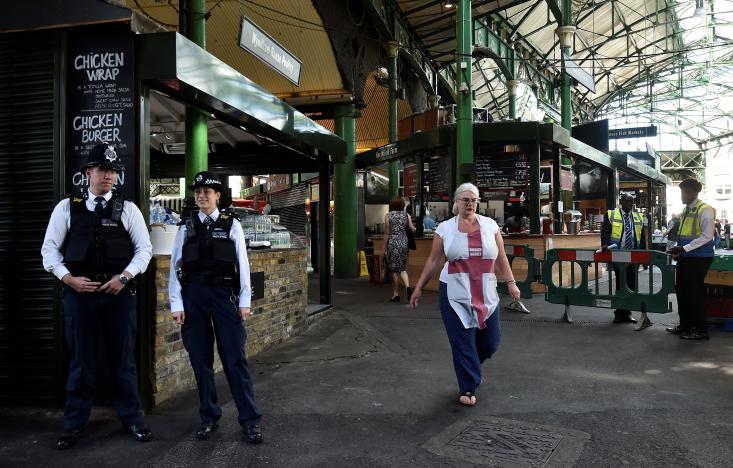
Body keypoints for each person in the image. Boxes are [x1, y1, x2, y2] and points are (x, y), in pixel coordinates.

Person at [41, 143, 153, 450]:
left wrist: (125, 277)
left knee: (124, 360)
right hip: (80, 295)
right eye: (102, 170)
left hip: (118, 294)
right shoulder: (67, 207)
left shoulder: (128, 208)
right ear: (88, 173)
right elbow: (49, 250)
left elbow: (145, 249)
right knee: (81, 361)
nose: (108, 177)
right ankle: (74, 424)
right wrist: (67, 278)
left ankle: (132, 419)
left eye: (113, 172)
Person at [168, 171, 263, 443]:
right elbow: (176, 266)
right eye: (197, 191)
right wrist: (176, 302)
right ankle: (209, 417)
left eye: (206, 192)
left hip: (225, 296)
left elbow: (243, 265)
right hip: (193, 295)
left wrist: (244, 301)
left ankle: (250, 420)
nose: (201, 195)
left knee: (235, 359)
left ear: (217, 195)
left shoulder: (231, 223)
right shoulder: (185, 226)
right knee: (201, 361)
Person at [409, 183, 521, 406]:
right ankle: (468, 386)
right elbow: (433, 260)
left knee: (491, 342)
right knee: (463, 341)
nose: (470, 204)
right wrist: (419, 286)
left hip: (485, 290)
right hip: (454, 291)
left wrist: (511, 282)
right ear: (456, 202)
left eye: (474, 200)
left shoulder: (490, 226)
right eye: (465, 200)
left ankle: (471, 366)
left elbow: (500, 258)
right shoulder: (445, 229)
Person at [667, 178, 716, 340]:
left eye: (684, 192)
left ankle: (700, 330)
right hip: (686, 257)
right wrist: (677, 250)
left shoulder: (705, 210)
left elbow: (707, 236)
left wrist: (683, 248)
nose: (682, 195)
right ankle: (685, 326)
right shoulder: (687, 210)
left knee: (693, 293)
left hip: (699, 258)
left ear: (693, 192)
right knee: (682, 291)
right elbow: (684, 235)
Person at [600, 193, 647, 325]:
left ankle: (626, 313)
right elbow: (605, 231)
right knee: (621, 284)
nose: (629, 204)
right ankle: (619, 314)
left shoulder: (638, 216)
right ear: (621, 202)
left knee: (632, 285)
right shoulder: (611, 214)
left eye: (631, 202)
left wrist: (644, 256)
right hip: (618, 255)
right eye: (627, 201)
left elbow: (642, 237)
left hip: (634, 255)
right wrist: (604, 243)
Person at [384, 197, 416, 302]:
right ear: (402, 205)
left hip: (393, 242)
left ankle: (396, 294)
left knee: (394, 270)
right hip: (404, 242)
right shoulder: (406, 215)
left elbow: (387, 233)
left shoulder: (388, 216)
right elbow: (412, 228)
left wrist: (384, 247)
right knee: (402, 268)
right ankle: (407, 287)